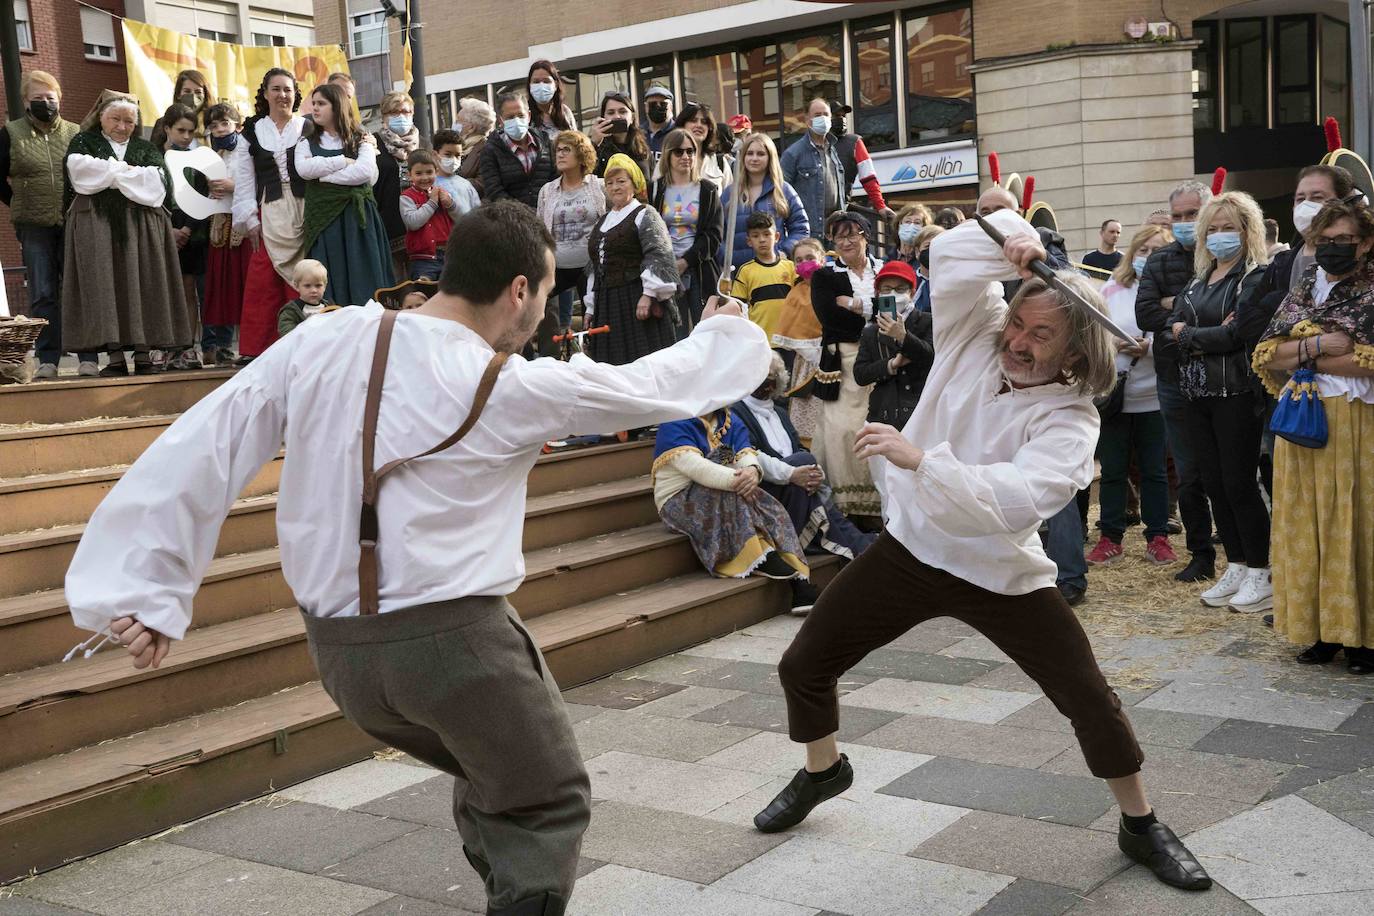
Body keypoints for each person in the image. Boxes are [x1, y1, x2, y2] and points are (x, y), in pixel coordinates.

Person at [63, 200, 773, 916]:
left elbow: (209, 441)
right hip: (458, 647)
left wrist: (144, 587)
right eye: (548, 291)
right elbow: (653, 386)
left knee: (491, 770)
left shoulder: (323, 337)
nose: (544, 309)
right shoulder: (514, 384)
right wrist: (724, 331)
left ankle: (505, 879)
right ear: (519, 290)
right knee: (545, 798)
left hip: (341, 656)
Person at [753, 209, 1213, 895]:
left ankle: (1140, 822)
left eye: (1042, 335)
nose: (1020, 343)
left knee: (1089, 699)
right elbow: (954, 260)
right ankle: (824, 770)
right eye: (1019, 325)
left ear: (1077, 351)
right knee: (803, 665)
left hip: (999, 570)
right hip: (911, 548)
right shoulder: (977, 334)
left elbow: (1017, 499)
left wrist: (921, 460)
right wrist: (1013, 243)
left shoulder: (1072, 416)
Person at [1253, 199, 1374, 674]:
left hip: (1356, 421)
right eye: (1323, 241)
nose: (1331, 249)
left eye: (1343, 241)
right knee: (1306, 523)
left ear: (1365, 243)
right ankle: (1321, 630)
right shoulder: (1306, 285)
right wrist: (1320, 346)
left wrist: (1299, 353)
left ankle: (1363, 637)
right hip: (1303, 417)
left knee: (1354, 520)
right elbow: (1266, 354)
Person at [1160, 191, 1271, 613]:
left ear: (1248, 231)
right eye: (1214, 228)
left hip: (1236, 393)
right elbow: (1169, 326)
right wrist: (1190, 333)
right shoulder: (1198, 278)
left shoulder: (1253, 277)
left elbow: (1237, 334)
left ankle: (1261, 571)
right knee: (1215, 484)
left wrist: (1187, 334)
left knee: (1240, 483)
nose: (1220, 235)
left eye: (1230, 228)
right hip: (1196, 393)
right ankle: (1238, 564)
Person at [976, 184, 1084, 603]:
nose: (992, 219)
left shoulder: (1044, 246)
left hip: (1045, 381)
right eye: (983, 211)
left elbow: (1067, 291)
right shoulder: (970, 254)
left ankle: (1069, 578)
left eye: (1001, 210)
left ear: (1018, 213)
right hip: (997, 375)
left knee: (1048, 484)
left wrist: (1036, 254)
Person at [61, 90, 191, 376]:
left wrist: (108, 175)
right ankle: (115, 357)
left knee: (142, 283)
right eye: (115, 119)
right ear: (101, 118)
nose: (122, 127)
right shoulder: (83, 141)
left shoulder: (147, 149)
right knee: (106, 286)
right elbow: (80, 173)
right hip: (97, 228)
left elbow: (156, 185)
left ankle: (144, 355)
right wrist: (127, 173)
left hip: (141, 230)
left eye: (129, 122)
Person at [1136, 179, 1217, 582]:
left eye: (1193, 214)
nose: (1186, 222)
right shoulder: (1159, 260)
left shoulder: (1228, 257)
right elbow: (1146, 315)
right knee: (1188, 474)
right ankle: (1200, 554)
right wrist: (1194, 305)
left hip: (1223, 377)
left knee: (1229, 471)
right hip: (1174, 377)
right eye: (1180, 216)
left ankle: (1245, 557)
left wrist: (1178, 305)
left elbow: (1237, 316)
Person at [732, 357, 877, 576]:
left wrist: (813, 473)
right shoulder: (737, 412)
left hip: (797, 488)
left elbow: (799, 448)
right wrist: (794, 472)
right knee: (804, 464)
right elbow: (749, 456)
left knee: (808, 466)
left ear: (775, 384)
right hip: (765, 490)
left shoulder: (780, 412)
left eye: (770, 379)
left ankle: (861, 550)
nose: (764, 384)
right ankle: (862, 547)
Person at [1086, 225, 1178, 567]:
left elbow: (1177, 335)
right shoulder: (1112, 289)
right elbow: (1095, 332)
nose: (1148, 257)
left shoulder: (1172, 293)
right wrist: (1114, 344)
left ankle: (1158, 536)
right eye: (1143, 250)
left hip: (1155, 395)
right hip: (1115, 395)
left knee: (1154, 470)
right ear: (1132, 253)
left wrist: (1149, 348)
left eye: (1157, 251)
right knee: (1112, 469)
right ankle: (1111, 537)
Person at [0, 70, 92, 377]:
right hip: (33, 225)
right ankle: (48, 359)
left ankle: (88, 356)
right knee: (42, 292)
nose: (45, 103)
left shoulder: (75, 133)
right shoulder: (10, 133)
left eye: (50, 97)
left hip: (72, 222)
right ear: (26, 101)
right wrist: (17, 201)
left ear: (60, 100)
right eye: (38, 98)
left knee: (78, 290)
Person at [653, 407, 809, 583]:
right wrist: (740, 481)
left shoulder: (728, 419)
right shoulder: (674, 421)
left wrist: (752, 471)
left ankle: (793, 571)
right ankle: (762, 561)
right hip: (677, 500)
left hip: (725, 488)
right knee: (735, 495)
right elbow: (698, 469)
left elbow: (746, 452)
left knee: (765, 503)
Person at [809, 210, 882, 519]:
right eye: (839, 236)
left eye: (853, 234)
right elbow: (830, 319)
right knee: (842, 430)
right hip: (843, 361)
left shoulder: (884, 269)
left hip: (881, 358)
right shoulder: (825, 276)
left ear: (865, 235)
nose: (846, 241)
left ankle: (882, 499)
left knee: (877, 425)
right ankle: (847, 505)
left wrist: (856, 305)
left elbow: (901, 305)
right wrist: (875, 312)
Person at [231, 68, 308, 361]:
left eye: (287, 89)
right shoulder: (251, 131)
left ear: (295, 93)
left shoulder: (307, 127)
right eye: (275, 89)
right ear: (265, 94)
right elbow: (245, 177)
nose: (282, 95)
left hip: (304, 209)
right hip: (269, 208)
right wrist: (249, 217)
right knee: (264, 276)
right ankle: (258, 348)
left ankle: (301, 345)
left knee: (304, 274)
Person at [296, 83, 392, 307]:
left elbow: (365, 173)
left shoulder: (361, 138)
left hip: (358, 221)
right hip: (324, 220)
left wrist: (324, 177)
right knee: (331, 275)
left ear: (337, 106)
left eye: (322, 103)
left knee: (364, 276)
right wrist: (343, 161)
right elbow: (304, 170)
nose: (315, 108)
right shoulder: (306, 142)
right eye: (314, 103)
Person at [584, 154, 679, 365]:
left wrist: (648, 295)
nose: (615, 187)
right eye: (610, 183)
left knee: (644, 360)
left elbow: (659, 255)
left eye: (621, 181)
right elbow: (595, 267)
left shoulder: (645, 214)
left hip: (636, 297)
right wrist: (591, 308)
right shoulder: (603, 221)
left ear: (634, 184)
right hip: (607, 303)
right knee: (613, 364)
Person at [153, 103, 210, 370]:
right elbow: (149, 196)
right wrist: (169, 229)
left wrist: (185, 229)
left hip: (191, 229)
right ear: (167, 128)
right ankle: (164, 346)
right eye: (181, 131)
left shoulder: (197, 159)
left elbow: (201, 196)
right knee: (163, 290)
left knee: (188, 290)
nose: (186, 137)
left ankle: (187, 347)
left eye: (191, 132)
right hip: (162, 226)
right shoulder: (153, 158)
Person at [651, 128, 723, 333]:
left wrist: (685, 261)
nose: (685, 156)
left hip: (700, 271)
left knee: (707, 332)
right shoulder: (655, 189)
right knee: (675, 336)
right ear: (667, 154)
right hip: (666, 272)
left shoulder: (708, 190)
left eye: (690, 151)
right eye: (679, 151)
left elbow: (714, 235)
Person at [536, 130, 605, 343]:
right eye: (558, 150)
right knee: (536, 300)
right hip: (558, 266)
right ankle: (549, 355)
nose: (560, 154)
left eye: (567, 149)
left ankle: (595, 356)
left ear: (581, 154)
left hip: (591, 266)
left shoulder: (599, 185)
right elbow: (540, 230)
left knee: (593, 319)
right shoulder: (547, 191)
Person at [853, 260, 934, 433]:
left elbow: (931, 357)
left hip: (920, 414)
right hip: (883, 414)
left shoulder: (928, 321)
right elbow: (860, 374)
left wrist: (902, 337)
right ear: (878, 294)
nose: (893, 294)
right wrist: (890, 365)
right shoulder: (871, 332)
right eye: (887, 289)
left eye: (900, 289)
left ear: (912, 292)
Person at [200, 103, 248, 367]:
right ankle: (223, 345)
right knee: (222, 286)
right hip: (220, 221)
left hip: (243, 221)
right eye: (214, 126)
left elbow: (259, 181)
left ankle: (249, 343)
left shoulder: (248, 150)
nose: (219, 129)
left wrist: (233, 186)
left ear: (237, 125)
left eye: (225, 124)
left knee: (244, 284)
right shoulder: (214, 154)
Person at [722, 132, 808, 269]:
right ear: (743, 157)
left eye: (760, 154)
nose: (754, 158)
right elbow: (718, 234)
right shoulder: (729, 193)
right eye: (750, 153)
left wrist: (783, 252)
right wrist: (727, 258)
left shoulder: (783, 190)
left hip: (776, 271)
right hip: (738, 272)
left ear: (770, 157)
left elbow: (801, 229)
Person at [770, 237, 827, 442]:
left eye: (810, 257)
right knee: (807, 410)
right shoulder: (796, 293)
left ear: (822, 257)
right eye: (799, 260)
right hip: (807, 361)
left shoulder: (834, 284)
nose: (805, 263)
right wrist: (811, 352)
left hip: (836, 358)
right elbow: (791, 327)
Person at [780, 98, 846, 241]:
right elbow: (780, 194)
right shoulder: (793, 154)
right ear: (807, 120)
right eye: (817, 115)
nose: (822, 118)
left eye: (826, 114)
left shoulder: (833, 150)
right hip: (808, 234)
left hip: (835, 233)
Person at [481, 93, 557, 210]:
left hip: (548, 214)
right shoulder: (491, 150)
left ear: (529, 116)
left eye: (521, 115)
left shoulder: (545, 142)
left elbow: (556, 178)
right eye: (510, 117)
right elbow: (494, 191)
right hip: (513, 221)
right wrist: (523, 214)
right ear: (501, 120)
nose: (516, 120)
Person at [731, 212, 795, 342]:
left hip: (789, 340)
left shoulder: (791, 268)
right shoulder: (745, 271)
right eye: (755, 236)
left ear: (776, 236)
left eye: (767, 234)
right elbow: (737, 307)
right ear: (749, 241)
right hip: (759, 340)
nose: (762, 240)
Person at [401, 149, 463, 281]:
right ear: (409, 175)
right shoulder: (406, 197)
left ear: (436, 171)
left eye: (429, 172)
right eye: (418, 173)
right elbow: (413, 222)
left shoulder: (443, 193)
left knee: (450, 293)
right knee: (424, 292)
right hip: (423, 259)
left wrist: (450, 204)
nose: (424, 177)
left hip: (449, 256)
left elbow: (461, 219)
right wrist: (432, 202)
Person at [829, 103, 895, 222]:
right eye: (836, 115)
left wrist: (880, 205)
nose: (841, 119)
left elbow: (869, 178)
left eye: (843, 116)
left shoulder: (854, 142)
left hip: (839, 210)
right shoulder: (810, 144)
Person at [588, 90, 650, 180]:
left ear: (632, 118)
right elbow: (585, 175)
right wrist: (593, 144)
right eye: (611, 113)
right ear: (603, 118)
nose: (617, 116)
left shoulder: (643, 147)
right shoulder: (598, 148)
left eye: (622, 112)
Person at [673, 101, 732, 192]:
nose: (699, 125)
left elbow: (730, 199)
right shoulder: (669, 158)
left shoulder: (719, 162)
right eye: (693, 120)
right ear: (682, 125)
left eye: (704, 122)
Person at [276, 258, 335, 335]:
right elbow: (287, 334)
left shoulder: (330, 307)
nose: (314, 290)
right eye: (307, 286)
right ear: (297, 286)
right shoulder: (291, 311)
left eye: (318, 285)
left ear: (325, 286)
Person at [454, 97, 496, 198]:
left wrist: (451, 185)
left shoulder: (486, 149)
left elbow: (482, 184)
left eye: (458, 121)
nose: (454, 124)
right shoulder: (459, 147)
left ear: (471, 127)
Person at [527, 59, 577, 142]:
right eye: (536, 82)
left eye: (546, 81)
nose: (541, 86)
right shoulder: (525, 115)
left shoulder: (565, 112)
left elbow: (576, 143)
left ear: (556, 85)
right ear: (529, 85)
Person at [430, 128, 479, 210]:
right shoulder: (429, 184)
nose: (453, 159)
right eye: (448, 154)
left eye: (457, 155)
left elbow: (477, 212)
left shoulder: (466, 185)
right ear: (435, 154)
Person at [172, 69, 214, 141]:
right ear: (178, 94)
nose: (193, 96)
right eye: (187, 91)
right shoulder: (167, 122)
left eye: (198, 92)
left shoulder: (215, 122)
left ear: (205, 95)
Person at [888, 203, 933, 268]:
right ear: (899, 225)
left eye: (917, 223)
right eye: (907, 221)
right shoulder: (886, 260)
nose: (911, 226)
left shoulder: (926, 261)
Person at [642, 85, 675, 156]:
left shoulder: (679, 133)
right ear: (646, 107)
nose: (658, 107)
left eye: (663, 104)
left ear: (671, 107)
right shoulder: (637, 133)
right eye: (652, 104)